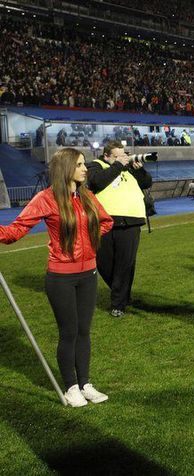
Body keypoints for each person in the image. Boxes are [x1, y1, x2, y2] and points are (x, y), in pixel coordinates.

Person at [0, 148, 113, 407]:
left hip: (89, 273)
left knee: (84, 331)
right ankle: (71, 387)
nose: (86, 169)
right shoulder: (46, 198)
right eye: (81, 164)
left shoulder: (86, 196)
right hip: (61, 276)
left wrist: (92, 242)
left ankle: (85, 383)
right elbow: (15, 230)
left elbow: (106, 221)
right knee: (69, 332)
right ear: (66, 168)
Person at [86, 141, 152, 317]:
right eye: (117, 156)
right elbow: (96, 182)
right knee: (103, 263)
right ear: (106, 156)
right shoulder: (95, 166)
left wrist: (139, 169)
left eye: (124, 155)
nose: (123, 159)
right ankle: (122, 292)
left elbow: (146, 183)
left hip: (131, 221)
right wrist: (117, 165)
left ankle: (118, 303)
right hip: (104, 221)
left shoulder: (129, 168)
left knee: (125, 263)